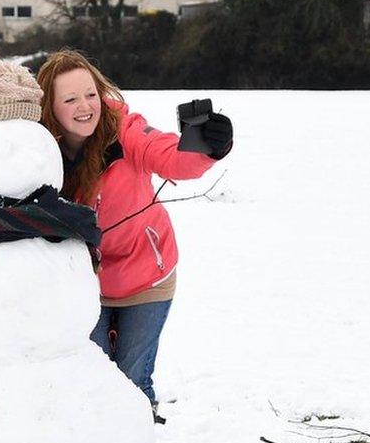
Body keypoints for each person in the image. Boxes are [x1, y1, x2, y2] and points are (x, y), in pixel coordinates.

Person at [36, 50, 234, 421]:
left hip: (146, 275)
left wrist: (209, 145)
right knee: (90, 377)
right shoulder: (40, 151)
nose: (85, 106)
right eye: (70, 99)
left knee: (132, 378)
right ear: (51, 107)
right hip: (83, 283)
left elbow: (172, 158)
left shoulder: (125, 130)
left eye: (90, 94)